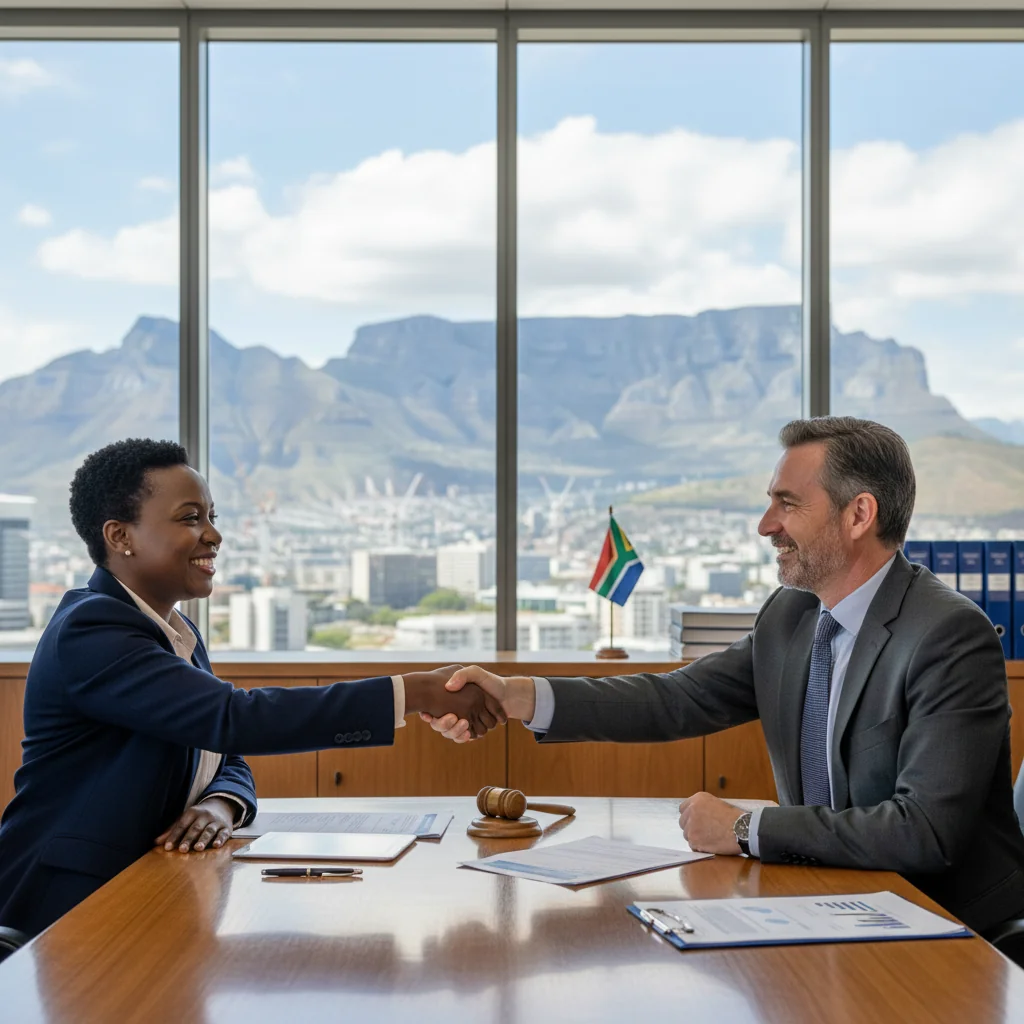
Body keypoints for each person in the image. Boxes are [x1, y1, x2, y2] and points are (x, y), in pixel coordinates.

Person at [426, 416, 1024, 934]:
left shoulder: (947, 635)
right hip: (826, 903)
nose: (766, 525)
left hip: (945, 924)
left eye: (787, 503)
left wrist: (744, 827)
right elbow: (676, 699)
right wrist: (517, 697)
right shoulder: (792, 614)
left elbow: (924, 832)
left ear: (859, 514)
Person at [0, 438, 503, 939]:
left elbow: (223, 748)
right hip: (69, 909)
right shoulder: (93, 630)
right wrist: (414, 692)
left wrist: (221, 804)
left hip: (151, 890)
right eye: (189, 517)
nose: (213, 535)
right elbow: (234, 720)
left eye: (211, 516)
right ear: (120, 535)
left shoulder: (173, 632)